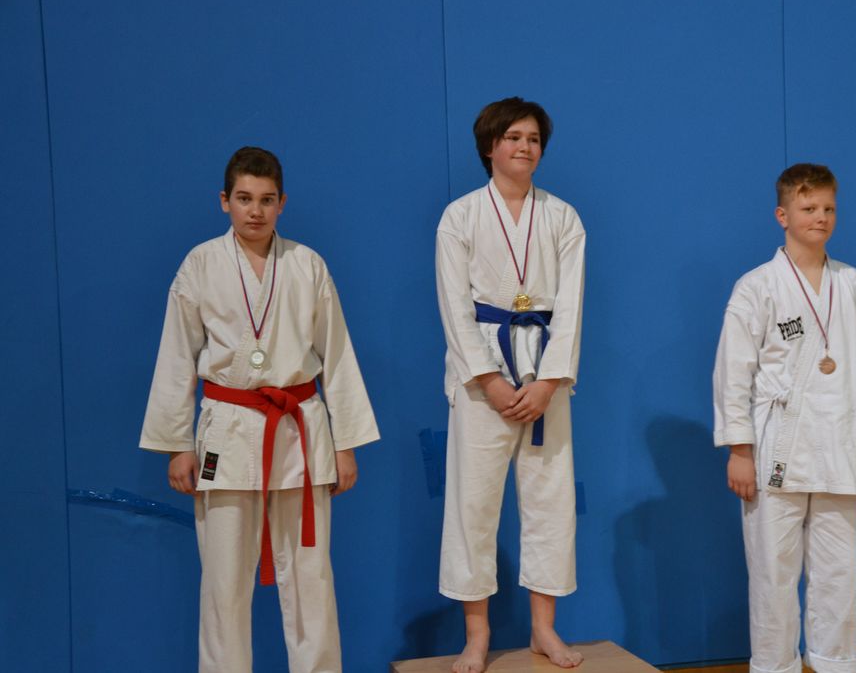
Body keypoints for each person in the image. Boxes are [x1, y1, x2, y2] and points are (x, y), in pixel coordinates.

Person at [140, 146, 379, 673]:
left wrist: (346, 444)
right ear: (224, 201)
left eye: (267, 200)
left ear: (282, 203)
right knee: (223, 584)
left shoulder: (307, 264)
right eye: (244, 199)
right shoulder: (200, 264)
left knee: (311, 579)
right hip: (226, 430)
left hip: (298, 427)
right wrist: (177, 444)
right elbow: (176, 355)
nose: (255, 211)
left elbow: (337, 354)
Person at [712, 163, 856, 673]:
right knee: (773, 574)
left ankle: (836, 663)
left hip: (842, 441)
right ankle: (774, 666)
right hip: (778, 445)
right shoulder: (757, 287)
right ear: (783, 215)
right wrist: (738, 448)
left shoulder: (853, 283)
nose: (820, 217)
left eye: (828, 208)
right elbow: (733, 371)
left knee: (841, 571)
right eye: (808, 208)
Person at [435, 97, 586, 672]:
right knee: (473, 504)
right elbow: (453, 306)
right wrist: (488, 380)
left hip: (545, 367)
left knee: (550, 500)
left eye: (533, 139)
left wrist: (548, 383)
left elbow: (571, 306)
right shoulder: (460, 216)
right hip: (482, 374)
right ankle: (477, 635)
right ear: (490, 146)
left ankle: (543, 628)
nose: (525, 147)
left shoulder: (563, 217)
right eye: (513, 137)